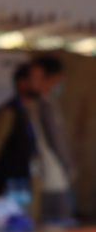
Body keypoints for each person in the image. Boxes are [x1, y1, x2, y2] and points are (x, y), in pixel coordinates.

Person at [0, 64, 37, 201]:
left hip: (25, 181)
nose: (40, 84)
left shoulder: (31, 111)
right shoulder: (9, 112)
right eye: (36, 79)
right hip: (9, 184)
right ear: (22, 82)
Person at [29, 55, 74, 221]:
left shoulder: (45, 103)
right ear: (54, 77)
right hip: (53, 173)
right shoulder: (44, 105)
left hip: (51, 172)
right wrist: (68, 166)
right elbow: (55, 139)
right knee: (56, 221)